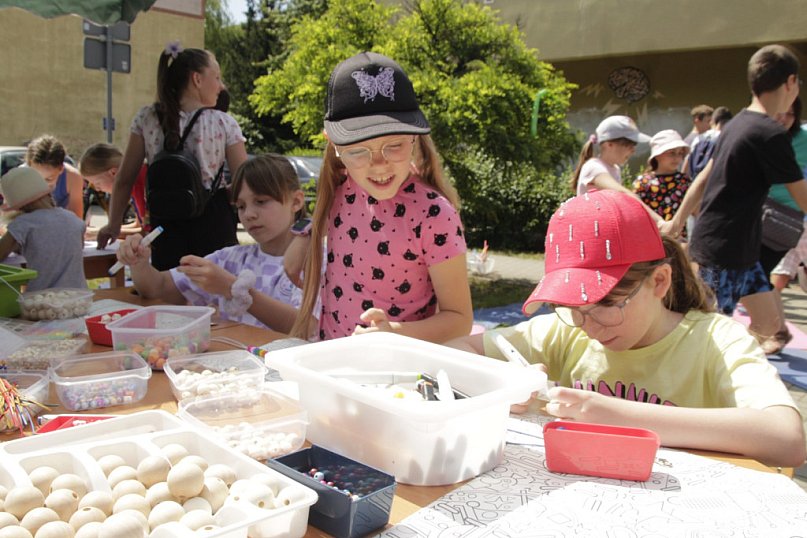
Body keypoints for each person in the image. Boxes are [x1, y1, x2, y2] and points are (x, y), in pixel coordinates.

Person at [447, 190, 806, 468]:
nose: (588, 326)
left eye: (606, 304)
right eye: (572, 308)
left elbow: (787, 439)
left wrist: (619, 416)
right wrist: (500, 381)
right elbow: (455, 350)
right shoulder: (567, 331)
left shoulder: (717, 340)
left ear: (660, 281)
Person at [288, 51, 473, 343]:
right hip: (333, 364)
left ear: (415, 137)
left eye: (395, 145)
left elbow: (460, 320)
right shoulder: (339, 190)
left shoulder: (434, 215)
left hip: (396, 379)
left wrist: (393, 333)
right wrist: (303, 236)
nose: (378, 163)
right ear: (334, 144)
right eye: (358, 150)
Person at [661, 44, 807, 355]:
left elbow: (702, 179)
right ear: (791, 82)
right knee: (704, 336)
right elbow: (803, 199)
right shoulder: (770, 133)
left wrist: (676, 222)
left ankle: (732, 369)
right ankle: (695, 387)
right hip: (725, 252)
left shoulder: (737, 123)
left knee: (773, 330)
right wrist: (675, 223)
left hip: (739, 249)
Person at [115, 154, 313, 333]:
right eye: (241, 206)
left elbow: (308, 327)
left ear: (296, 201)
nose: (249, 214)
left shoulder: (319, 261)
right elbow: (158, 288)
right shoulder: (229, 259)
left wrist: (234, 288)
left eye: (261, 201)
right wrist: (139, 262)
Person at [96, 43, 248, 270]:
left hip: (164, 223)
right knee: (214, 289)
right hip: (213, 220)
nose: (221, 86)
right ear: (197, 79)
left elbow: (125, 179)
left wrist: (114, 224)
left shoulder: (146, 118)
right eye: (216, 77)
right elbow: (245, 178)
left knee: (167, 289)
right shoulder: (223, 122)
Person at [0, 167, 86, 290]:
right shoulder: (73, 219)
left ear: (18, 207)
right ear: (48, 194)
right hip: (79, 296)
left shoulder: (23, 224)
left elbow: (2, 252)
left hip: (42, 299)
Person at [769, 96, 807, 295]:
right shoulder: (761, 137)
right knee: (779, 275)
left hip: (800, 217)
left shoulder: (804, 137)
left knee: (780, 274)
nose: (783, 118)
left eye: (790, 114)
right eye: (779, 112)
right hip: (775, 220)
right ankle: (777, 324)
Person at [78, 143, 148, 239]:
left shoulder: (139, 184)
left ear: (113, 172)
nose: (97, 189)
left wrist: (97, 233)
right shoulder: (134, 179)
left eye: (97, 183)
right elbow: (139, 226)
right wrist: (101, 230)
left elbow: (148, 232)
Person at [633, 129, 691, 234]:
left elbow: (695, 209)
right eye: (672, 153)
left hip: (678, 240)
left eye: (680, 153)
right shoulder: (643, 182)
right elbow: (636, 211)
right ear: (657, 155)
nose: (677, 158)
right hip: (651, 238)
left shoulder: (684, 181)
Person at [25, 134, 85, 220]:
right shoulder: (20, 179)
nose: (42, 185)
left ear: (61, 169)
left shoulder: (73, 177)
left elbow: (76, 219)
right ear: (29, 166)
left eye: (49, 179)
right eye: (36, 178)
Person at [684, 106, 733, 179]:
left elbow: (686, 166)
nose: (709, 124)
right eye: (708, 121)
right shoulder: (727, 139)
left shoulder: (698, 139)